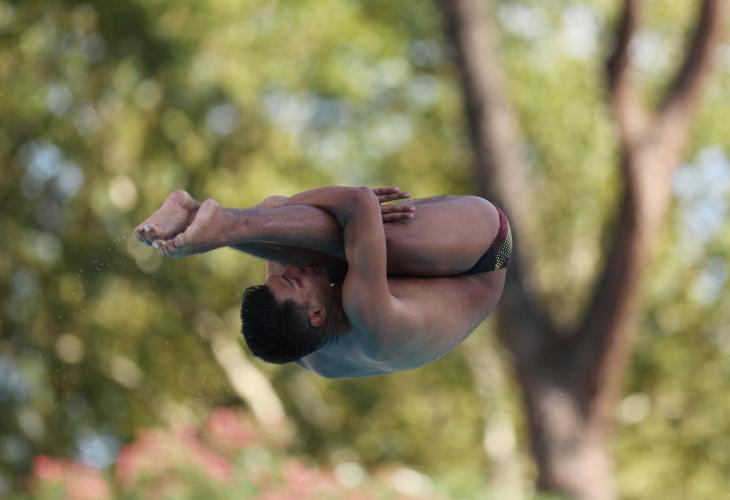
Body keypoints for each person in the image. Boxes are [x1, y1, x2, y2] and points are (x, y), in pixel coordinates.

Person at [133, 186, 512, 378]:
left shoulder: (300, 341)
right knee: (365, 234)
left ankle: (193, 220)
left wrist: (275, 219)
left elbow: (274, 210)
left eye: (283, 278)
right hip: (485, 256)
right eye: (293, 283)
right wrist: (349, 213)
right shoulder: (369, 316)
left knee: (294, 236)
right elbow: (358, 201)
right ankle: (223, 227)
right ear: (316, 315)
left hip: (408, 276)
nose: (293, 273)